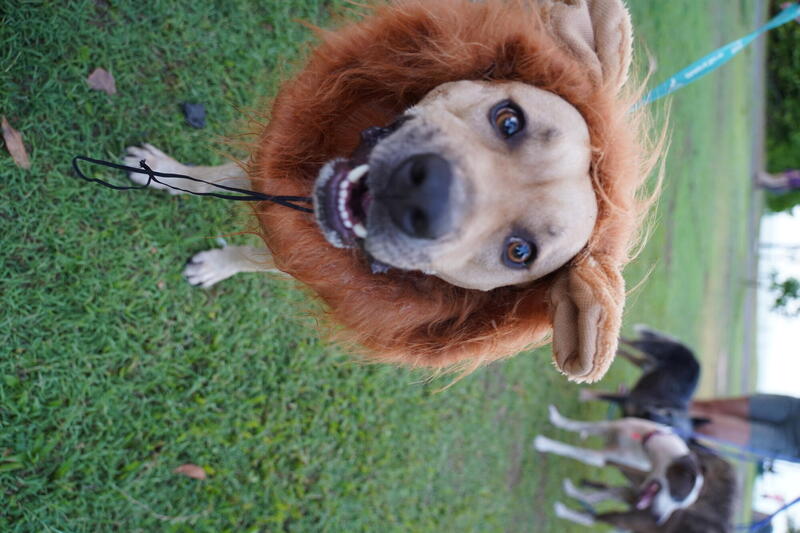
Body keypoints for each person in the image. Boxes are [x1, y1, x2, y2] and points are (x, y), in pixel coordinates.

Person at [691, 394, 800, 461]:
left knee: (706, 427)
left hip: (790, 442)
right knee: (710, 406)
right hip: (795, 409)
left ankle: (680, 422)